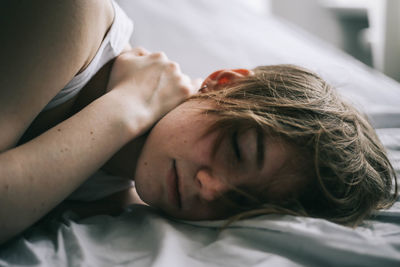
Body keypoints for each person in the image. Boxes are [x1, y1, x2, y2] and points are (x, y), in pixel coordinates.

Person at [0, 0, 397, 245]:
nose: (209, 189)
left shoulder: (111, 201)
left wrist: (129, 108)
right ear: (221, 85)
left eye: (240, 204)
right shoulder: (72, 15)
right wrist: (129, 105)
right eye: (237, 150)